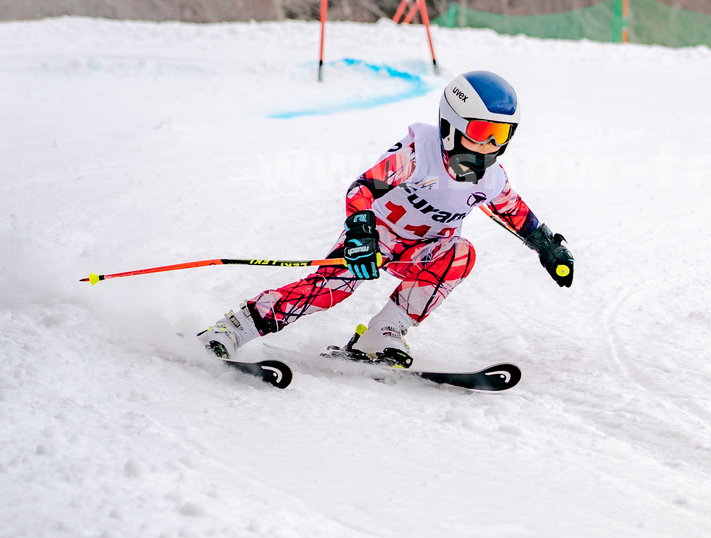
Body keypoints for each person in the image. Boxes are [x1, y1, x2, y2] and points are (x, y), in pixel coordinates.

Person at [196, 70, 574, 366]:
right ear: (451, 124)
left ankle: (383, 332)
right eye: (481, 132)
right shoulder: (417, 153)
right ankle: (235, 328)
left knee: (460, 253)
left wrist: (547, 247)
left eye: (501, 135)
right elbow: (360, 190)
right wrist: (361, 235)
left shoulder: (491, 178)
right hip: (377, 238)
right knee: (331, 289)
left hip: (423, 251)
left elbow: (513, 210)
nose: (490, 145)